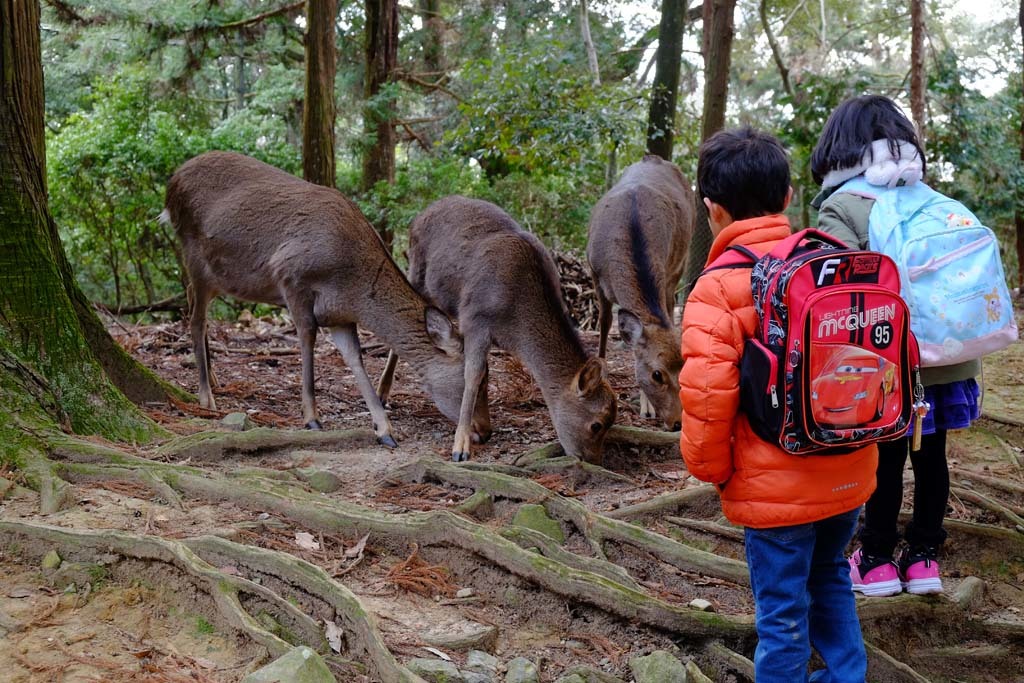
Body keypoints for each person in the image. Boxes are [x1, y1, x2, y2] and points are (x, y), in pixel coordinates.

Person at [679, 126, 876, 682]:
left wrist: (715, 472)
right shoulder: (833, 260)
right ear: (789, 197)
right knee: (832, 576)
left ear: (712, 210)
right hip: (849, 467)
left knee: (783, 611)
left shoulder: (716, 290)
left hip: (773, 491)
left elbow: (707, 399)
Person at [810, 94, 981, 597]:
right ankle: (925, 558)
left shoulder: (843, 207)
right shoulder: (932, 201)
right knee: (934, 457)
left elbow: (835, 291)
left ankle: (878, 558)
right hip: (948, 359)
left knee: (883, 458)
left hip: (881, 363)